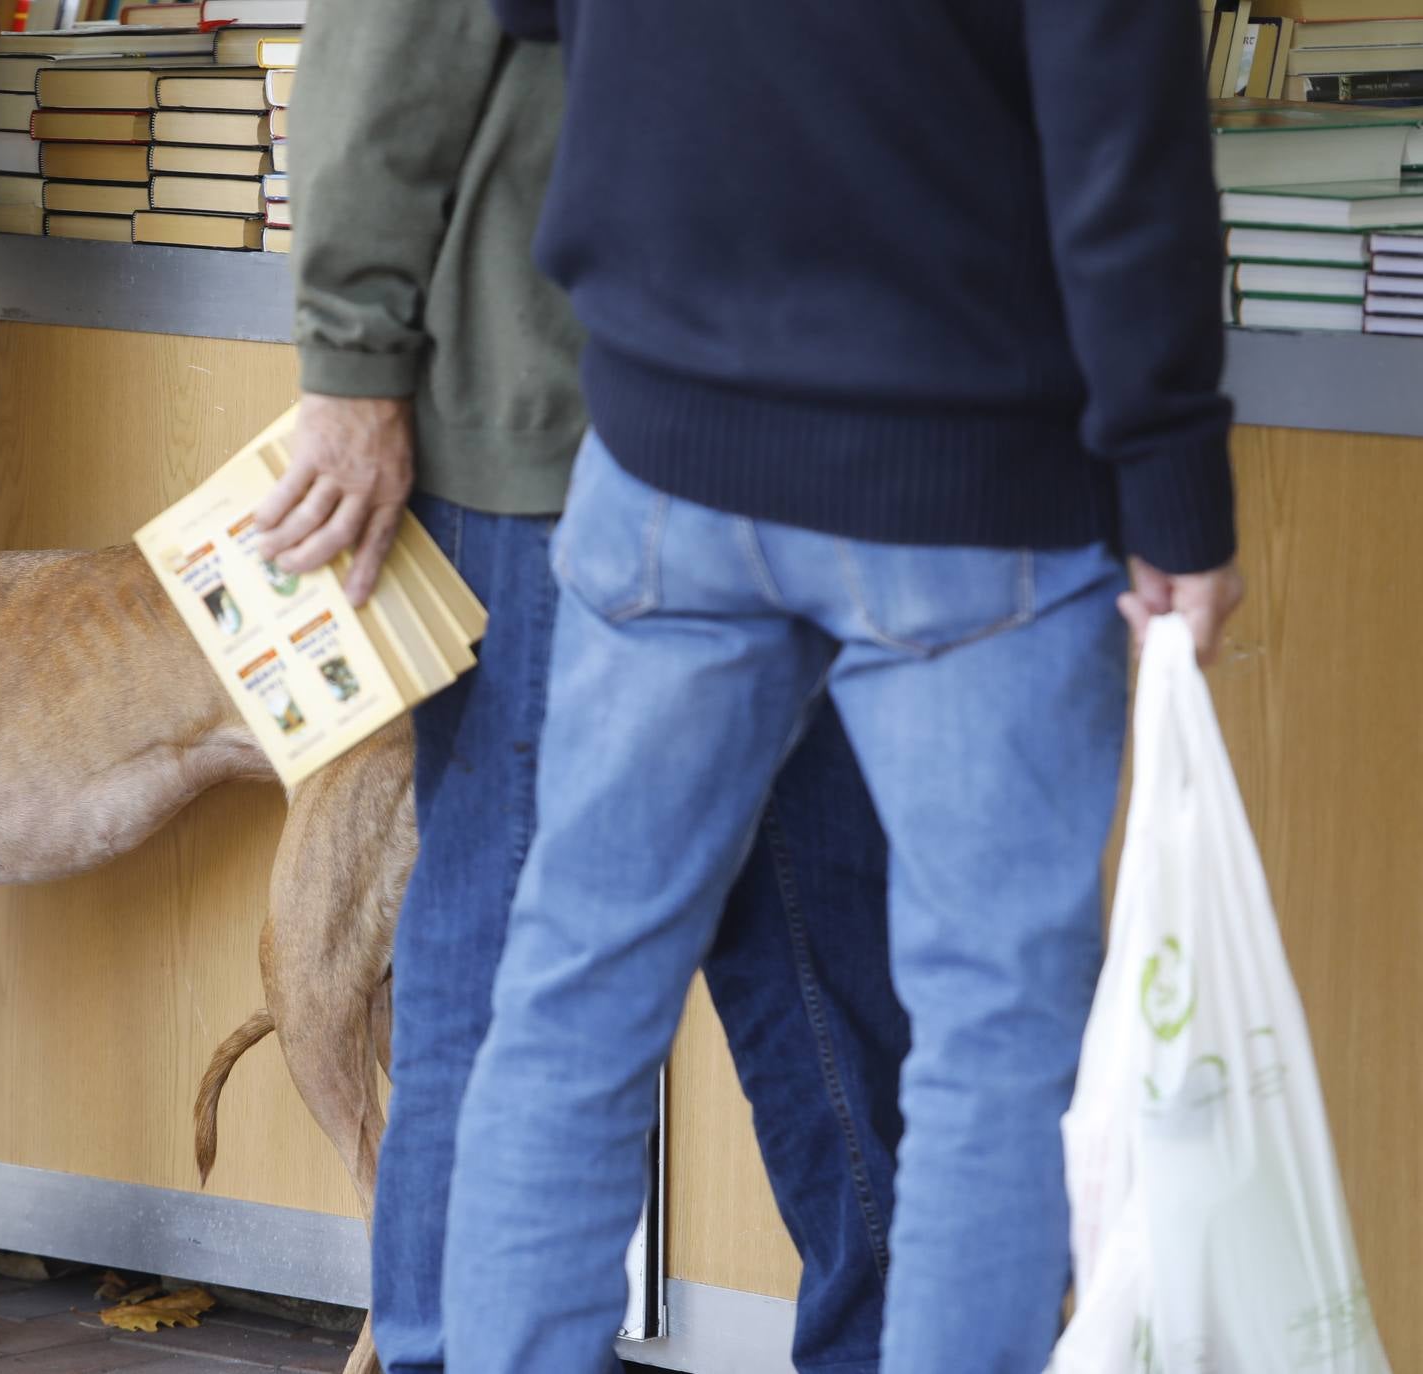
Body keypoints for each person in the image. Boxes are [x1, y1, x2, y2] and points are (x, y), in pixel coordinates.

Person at [430, 1, 1246, 1372]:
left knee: (574, 994)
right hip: (968, 470)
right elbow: (1124, 122)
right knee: (990, 1041)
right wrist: (1170, 476)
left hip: (662, 440)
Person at [265, 2, 911, 1370]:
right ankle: (451, 1346)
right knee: (509, 962)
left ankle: (886, 1344)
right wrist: (351, 363)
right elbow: (386, 53)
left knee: (823, 947)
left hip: (786, 438)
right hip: (546, 434)